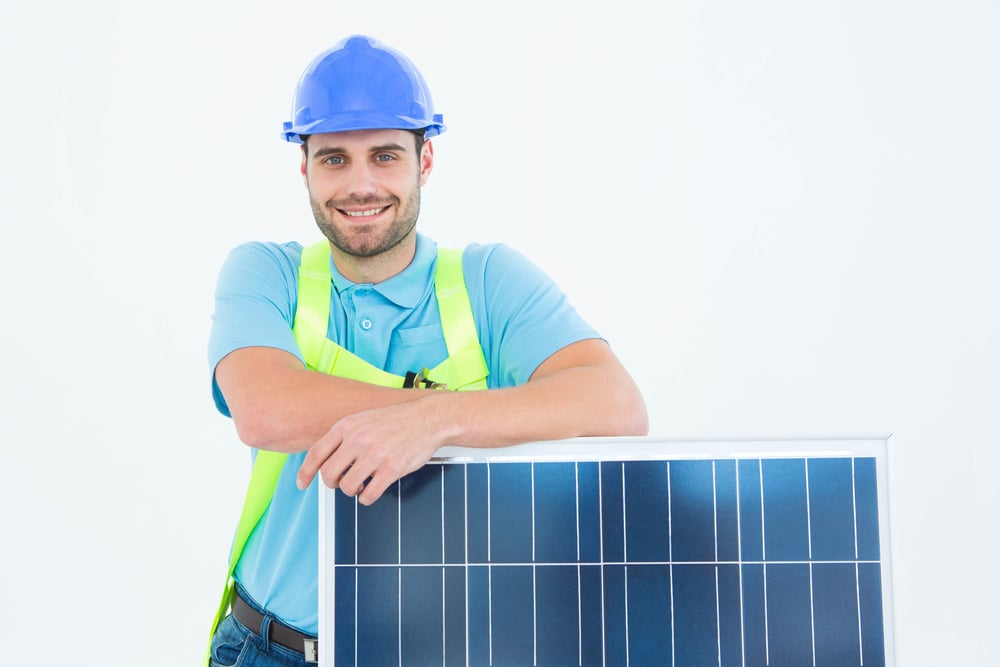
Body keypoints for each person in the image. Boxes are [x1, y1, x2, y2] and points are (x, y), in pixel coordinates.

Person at [206, 34, 648, 667]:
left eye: (385, 156)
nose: (360, 185)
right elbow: (267, 410)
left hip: (448, 651)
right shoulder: (263, 273)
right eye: (334, 159)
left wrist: (435, 421)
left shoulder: (490, 280)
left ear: (426, 159)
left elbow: (616, 407)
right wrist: (432, 403)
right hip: (270, 650)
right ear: (304, 167)